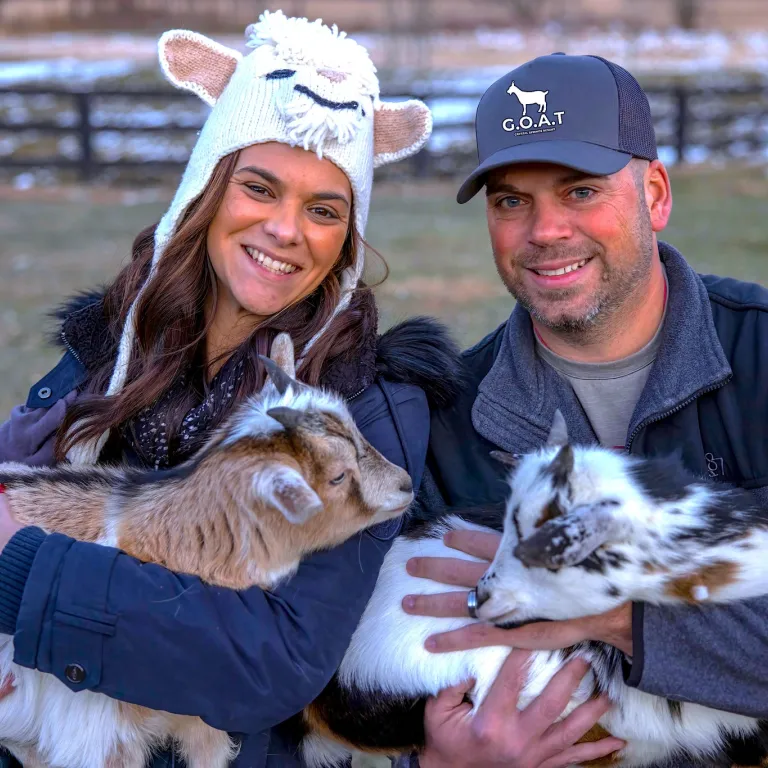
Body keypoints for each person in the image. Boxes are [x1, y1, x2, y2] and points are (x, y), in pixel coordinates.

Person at [0, 10, 456, 768]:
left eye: (324, 209)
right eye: (260, 187)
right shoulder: (111, 347)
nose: (286, 229)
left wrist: (22, 567)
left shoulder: (363, 409)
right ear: (209, 190)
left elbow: (272, 661)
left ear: (347, 234)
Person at [400, 52, 768, 767]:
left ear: (654, 194)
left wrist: (610, 615)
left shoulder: (761, 354)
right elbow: (417, 665)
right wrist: (439, 762)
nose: (544, 231)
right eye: (511, 200)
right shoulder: (444, 419)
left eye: (579, 192)